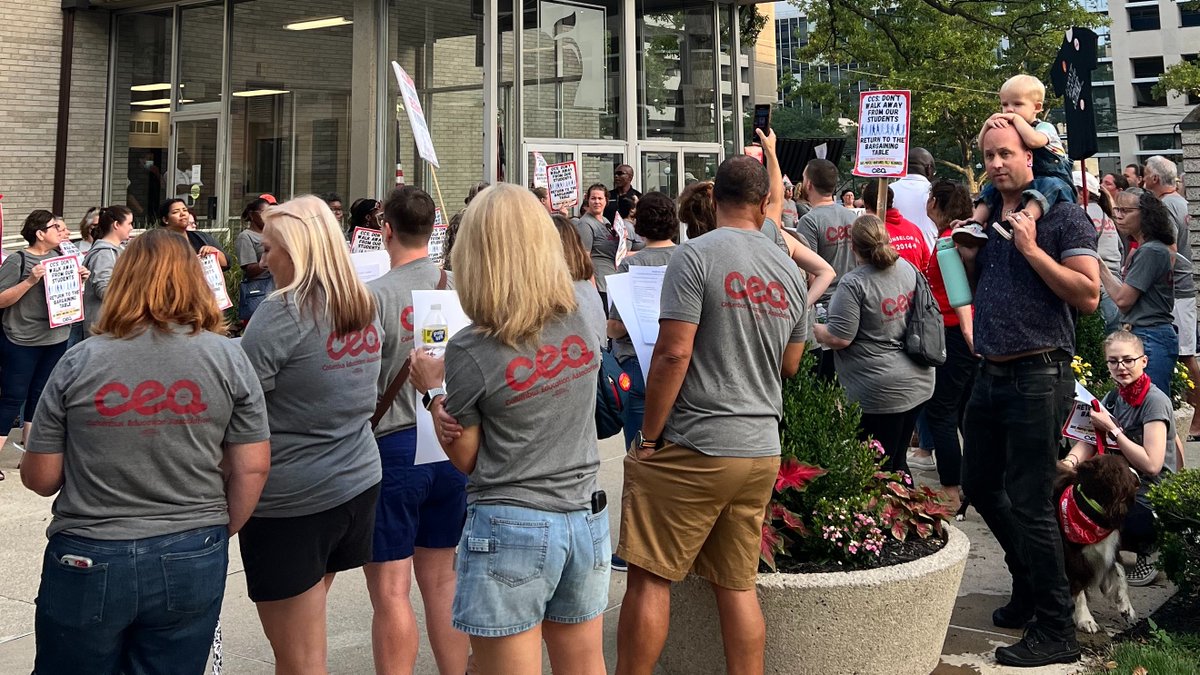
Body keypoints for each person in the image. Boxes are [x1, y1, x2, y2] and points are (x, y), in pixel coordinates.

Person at [20, 228, 271, 674]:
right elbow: (252, 467)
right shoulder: (229, 358)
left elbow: (40, 479)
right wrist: (216, 527)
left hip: (90, 550)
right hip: (193, 544)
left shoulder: (80, 360)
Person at [615, 130, 808, 675]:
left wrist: (649, 437)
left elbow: (673, 355)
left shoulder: (695, 256)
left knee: (650, 577)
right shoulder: (788, 269)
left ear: (714, 197)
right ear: (763, 204)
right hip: (759, 451)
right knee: (736, 584)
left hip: (697, 445)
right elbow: (791, 363)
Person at [409, 183, 610, 674]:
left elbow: (468, 458)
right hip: (584, 514)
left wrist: (433, 395)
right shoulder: (580, 318)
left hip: (511, 523)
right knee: (584, 665)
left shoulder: (471, 350)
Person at [957, 123, 1100, 668]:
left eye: (1005, 154)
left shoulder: (1062, 215)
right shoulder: (989, 218)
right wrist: (969, 252)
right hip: (990, 373)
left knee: (1032, 500)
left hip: (1039, 376)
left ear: (1030, 157)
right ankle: (1028, 585)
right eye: (989, 155)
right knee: (978, 485)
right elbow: (984, 288)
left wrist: (1032, 249)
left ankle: (1056, 628)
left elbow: (1087, 296)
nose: (996, 163)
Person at [238, 195, 383, 673]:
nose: (263, 259)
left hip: (293, 500)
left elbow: (237, 404)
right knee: (305, 640)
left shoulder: (282, 312)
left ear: (298, 251)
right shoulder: (361, 301)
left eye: (270, 248)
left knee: (299, 658)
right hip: (355, 483)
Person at [364, 185, 469, 675]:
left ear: (385, 230)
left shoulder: (373, 297)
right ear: (433, 230)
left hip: (395, 445)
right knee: (443, 580)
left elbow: (359, 381)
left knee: (390, 591)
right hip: (449, 440)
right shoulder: (459, 286)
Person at [814, 215, 934, 472]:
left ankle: (887, 511)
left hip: (880, 390)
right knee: (897, 462)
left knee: (877, 468)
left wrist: (812, 328)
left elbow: (839, 337)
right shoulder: (907, 267)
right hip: (919, 379)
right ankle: (909, 509)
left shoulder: (854, 283)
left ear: (853, 246)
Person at [1060, 330, 1175, 586]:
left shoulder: (1154, 401)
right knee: (1066, 497)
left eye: (1128, 360)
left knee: (1097, 510)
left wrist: (1113, 430)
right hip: (1118, 484)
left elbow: (1152, 464)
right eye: (1113, 361)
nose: (1121, 367)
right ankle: (1089, 562)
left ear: (1143, 361)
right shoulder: (1114, 396)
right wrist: (1068, 463)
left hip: (1149, 494)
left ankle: (1147, 550)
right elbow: (1088, 440)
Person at [0, 211, 90, 466]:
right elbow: (1, 298)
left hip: (55, 337)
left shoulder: (62, 258)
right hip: (22, 338)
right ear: (40, 233)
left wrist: (80, 279)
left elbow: (69, 299)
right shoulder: (18, 260)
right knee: (13, 396)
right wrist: (30, 280)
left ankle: (30, 455)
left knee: (40, 395)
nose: (62, 232)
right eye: (55, 227)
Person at [907, 181, 977, 505]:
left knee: (942, 412)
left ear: (935, 202)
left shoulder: (948, 244)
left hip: (953, 336)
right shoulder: (953, 238)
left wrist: (968, 337)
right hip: (959, 336)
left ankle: (951, 488)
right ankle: (971, 483)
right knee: (963, 412)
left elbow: (960, 296)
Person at [956, 75, 1074, 245]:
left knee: (1046, 186)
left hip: (1055, 179)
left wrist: (1016, 120)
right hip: (1026, 180)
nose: (1009, 110)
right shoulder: (1012, 128)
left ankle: (1025, 218)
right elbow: (983, 146)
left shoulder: (1044, 127)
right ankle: (975, 223)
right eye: (1005, 105)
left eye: (1017, 104)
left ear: (1037, 107)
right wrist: (987, 125)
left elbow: (1034, 141)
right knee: (990, 189)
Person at [607, 191, 677, 448]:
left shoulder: (630, 266)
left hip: (636, 362)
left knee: (639, 449)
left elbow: (616, 328)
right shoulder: (689, 258)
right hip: (681, 361)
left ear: (640, 224)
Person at [1100, 190, 1178, 395]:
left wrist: (1098, 265)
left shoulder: (1150, 251)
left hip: (1149, 335)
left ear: (1146, 214)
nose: (1118, 216)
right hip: (1149, 334)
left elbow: (1123, 300)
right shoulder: (1149, 248)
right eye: (1116, 210)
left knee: (1151, 406)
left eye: (1126, 211)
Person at [80, 205, 135, 339]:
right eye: (129, 223)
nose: (131, 228)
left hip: (112, 322)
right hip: (104, 325)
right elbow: (103, 289)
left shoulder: (117, 250)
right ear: (116, 224)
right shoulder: (104, 253)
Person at [862, 181, 930, 271]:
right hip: (915, 282)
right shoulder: (914, 229)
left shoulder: (871, 233)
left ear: (867, 207)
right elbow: (926, 265)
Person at [575, 183, 618, 306]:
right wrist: (592, 287)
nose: (597, 202)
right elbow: (584, 258)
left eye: (600, 198)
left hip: (610, 282)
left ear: (606, 201)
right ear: (587, 200)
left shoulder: (606, 221)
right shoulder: (585, 224)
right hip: (599, 285)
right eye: (593, 198)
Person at [891, 147, 939, 249]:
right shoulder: (937, 192)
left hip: (896, 257)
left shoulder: (888, 191)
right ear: (928, 169)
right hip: (931, 256)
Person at [159, 198, 228, 268]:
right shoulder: (158, 242)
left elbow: (226, 264)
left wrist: (214, 252)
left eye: (185, 210)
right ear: (165, 220)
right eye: (175, 212)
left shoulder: (201, 237)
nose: (182, 214)